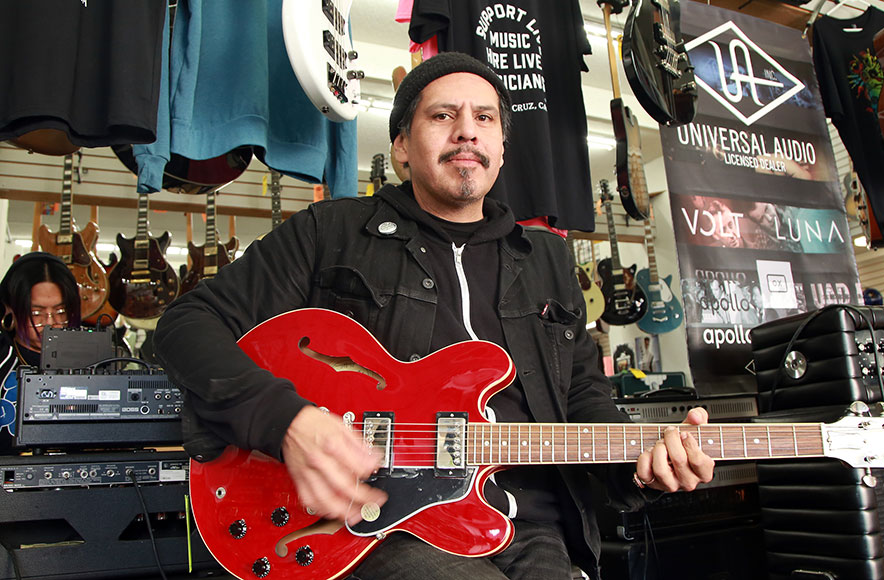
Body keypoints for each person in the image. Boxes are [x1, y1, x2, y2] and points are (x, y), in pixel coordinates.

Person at [154, 52, 714, 580]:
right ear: (401, 146)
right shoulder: (330, 233)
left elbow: (584, 399)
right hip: (385, 523)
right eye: (442, 115)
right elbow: (185, 326)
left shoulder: (547, 258)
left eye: (485, 117)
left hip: (535, 526)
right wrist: (288, 421)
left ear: (499, 147)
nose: (466, 130)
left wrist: (644, 463)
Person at [0, 252, 82, 445]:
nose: (50, 322)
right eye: (36, 313)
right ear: (9, 310)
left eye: (60, 311)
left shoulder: (93, 359)